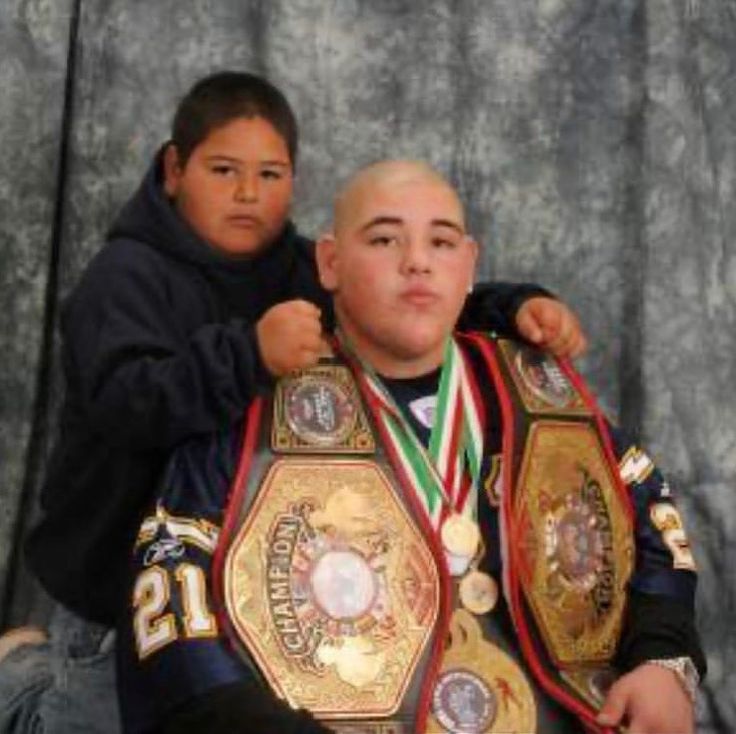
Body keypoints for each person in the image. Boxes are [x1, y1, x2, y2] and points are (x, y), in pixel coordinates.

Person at [0, 73, 585, 732]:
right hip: (119, 581)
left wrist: (517, 306)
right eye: (224, 170)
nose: (248, 193)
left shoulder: (302, 268)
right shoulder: (123, 277)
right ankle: (19, 679)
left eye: (271, 175)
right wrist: (248, 355)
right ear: (174, 168)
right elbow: (126, 404)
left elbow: (400, 296)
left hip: (247, 567)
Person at [115, 160, 704, 734]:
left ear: (469, 264)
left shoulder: (535, 389)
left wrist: (664, 662)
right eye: (384, 239)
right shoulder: (259, 401)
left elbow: (651, 516)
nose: (418, 262)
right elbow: (168, 600)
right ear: (330, 263)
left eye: (442, 243)